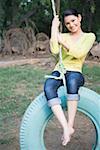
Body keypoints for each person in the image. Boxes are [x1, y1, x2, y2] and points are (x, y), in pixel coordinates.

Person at [44, 8, 96, 146]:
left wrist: (64, 42)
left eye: (73, 21)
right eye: (67, 23)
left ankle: (70, 124)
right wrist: (54, 29)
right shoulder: (63, 35)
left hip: (75, 71)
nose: (71, 25)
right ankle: (66, 127)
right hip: (60, 70)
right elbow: (54, 50)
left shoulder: (89, 36)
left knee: (72, 81)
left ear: (79, 18)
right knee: (48, 87)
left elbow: (79, 53)